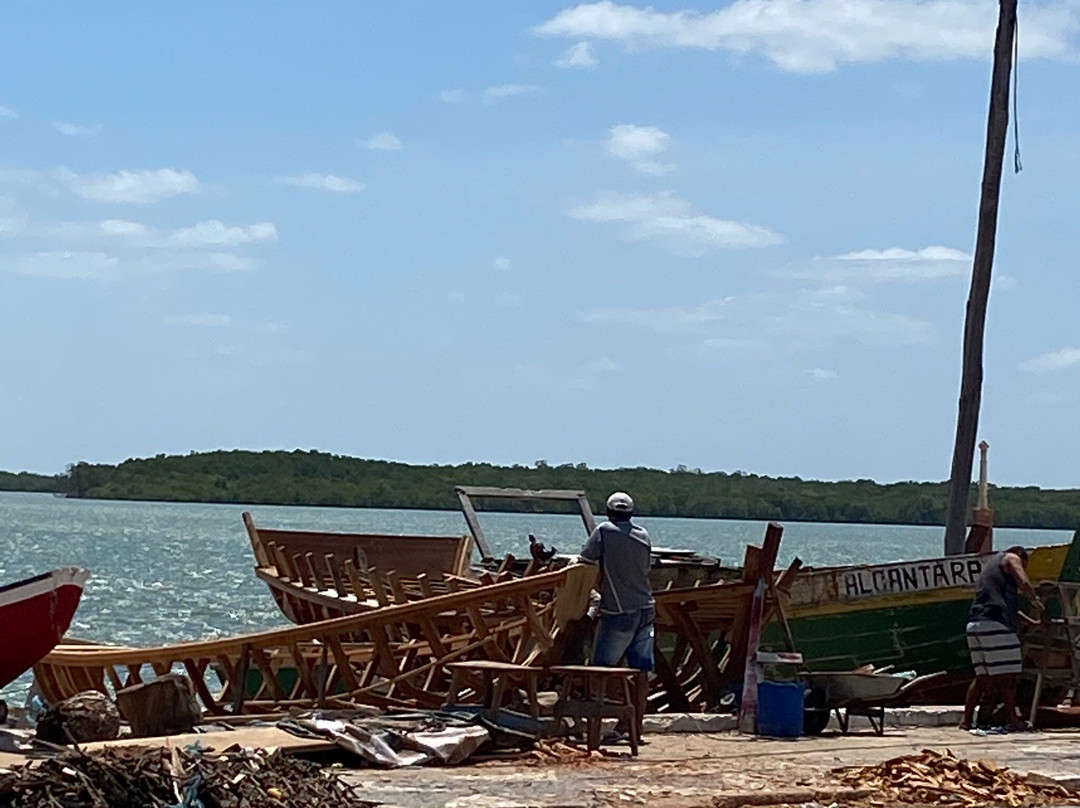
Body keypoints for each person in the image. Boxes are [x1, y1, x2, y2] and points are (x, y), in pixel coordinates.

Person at [961, 545, 1043, 731]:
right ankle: (1012, 719)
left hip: (976, 624)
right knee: (1008, 677)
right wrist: (1035, 600)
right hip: (996, 625)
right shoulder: (1011, 558)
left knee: (982, 677)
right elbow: (1024, 582)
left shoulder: (991, 570)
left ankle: (966, 721)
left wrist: (1031, 622)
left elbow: (1009, 608)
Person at [579, 492, 655, 673]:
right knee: (642, 669)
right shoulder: (643, 535)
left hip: (619, 610)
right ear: (631, 513)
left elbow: (586, 558)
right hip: (646, 608)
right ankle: (640, 700)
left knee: (601, 668)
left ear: (608, 511)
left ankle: (599, 700)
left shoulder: (604, 531)